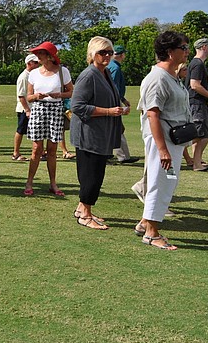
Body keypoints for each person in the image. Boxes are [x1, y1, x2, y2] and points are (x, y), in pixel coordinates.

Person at [135, 31, 192, 250]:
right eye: (183, 48)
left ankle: (145, 223)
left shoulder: (172, 76)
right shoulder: (157, 78)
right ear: (170, 52)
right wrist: (162, 150)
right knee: (161, 182)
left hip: (173, 140)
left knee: (168, 181)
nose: (187, 51)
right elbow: (152, 114)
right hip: (163, 140)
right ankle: (151, 232)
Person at [69, 37, 123, 230]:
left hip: (101, 133)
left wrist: (118, 107)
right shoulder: (89, 75)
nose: (107, 56)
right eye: (102, 52)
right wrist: (108, 111)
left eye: (110, 52)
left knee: (94, 173)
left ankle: (82, 208)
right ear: (93, 54)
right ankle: (85, 214)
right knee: (91, 174)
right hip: (89, 134)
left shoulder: (105, 72)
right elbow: (77, 106)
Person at [24, 41, 73, 197]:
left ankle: (53, 183)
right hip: (38, 109)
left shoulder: (62, 71)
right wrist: (36, 96)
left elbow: (71, 92)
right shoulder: (33, 73)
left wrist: (58, 95)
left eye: (41, 53)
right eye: (37, 53)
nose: (37, 56)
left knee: (52, 150)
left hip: (55, 109)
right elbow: (29, 97)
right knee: (36, 149)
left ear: (50, 56)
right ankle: (29, 182)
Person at [107, 45, 138, 164]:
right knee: (117, 128)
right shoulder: (115, 68)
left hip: (113, 100)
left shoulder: (111, 66)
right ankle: (123, 156)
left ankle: (114, 154)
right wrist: (119, 102)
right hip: (113, 102)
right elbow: (113, 86)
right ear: (122, 54)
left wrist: (123, 99)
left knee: (114, 128)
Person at [186, 37, 208, 172]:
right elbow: (194, 85)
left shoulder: (198, 63)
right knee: (201, 134)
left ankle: (197, 160)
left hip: (200, 103)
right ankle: (196, 164)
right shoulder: (198, 64)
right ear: (204, 47)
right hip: (197, 103)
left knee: (204, 133)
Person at [12, 54, 39, 161]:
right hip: (24, 108)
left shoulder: (33, 76)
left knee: (35, 130)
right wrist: (27, 110)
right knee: (21, 130)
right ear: (29, 63)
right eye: (35, 62)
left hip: (33, 107)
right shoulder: (24, 77)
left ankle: (39, 152)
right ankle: (16, 153)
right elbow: (21, 95)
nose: (38, 64)